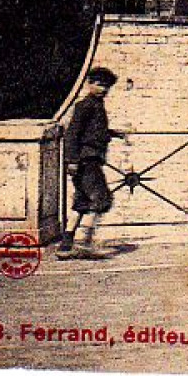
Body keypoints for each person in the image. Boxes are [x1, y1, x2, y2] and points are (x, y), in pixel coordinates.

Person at [58, 66, 126, 259]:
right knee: (102, 199)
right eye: (99, 84)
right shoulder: (85, 105)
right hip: (87, 160)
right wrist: (72, 161)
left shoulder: (96, 105)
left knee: (82, 202)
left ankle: (66, 244)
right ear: (90, 84)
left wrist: (112, 133)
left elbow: (93, 131)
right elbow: (72, 134)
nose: (103, 89)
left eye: (106, 86)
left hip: (87, 159)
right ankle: (85, 243)